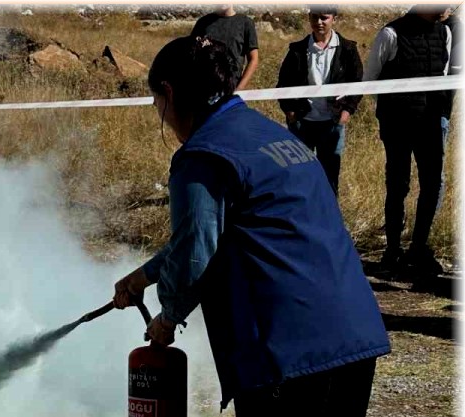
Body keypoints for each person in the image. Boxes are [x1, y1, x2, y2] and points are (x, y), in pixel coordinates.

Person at [113, 36, 394, 417]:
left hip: (287, 349)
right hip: (349, 333)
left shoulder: (200, 157)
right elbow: (227, 229)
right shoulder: (268, 135)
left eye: (156, 100)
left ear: (168, 95)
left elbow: (198, 253)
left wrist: (167, 315)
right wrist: (148, 275)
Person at [364, 4, 456, 277]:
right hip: (398, 124)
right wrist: (393, 110)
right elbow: (369, 80)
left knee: (431, 183)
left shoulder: (444, 33)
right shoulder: (391, 34)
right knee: (398, 183)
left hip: (430, 122)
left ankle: (419, 248)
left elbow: (443, 76)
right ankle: (392, 250)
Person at [276, 6, 363, 195]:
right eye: (315, 18)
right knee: (299, 175)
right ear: (309, 18)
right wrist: (290, 112)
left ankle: (328, 220)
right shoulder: (297, 49)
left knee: (329, 177)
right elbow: (283, 83)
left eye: (324, 18)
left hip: (332, 123)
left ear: (334, 19)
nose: (319, 22)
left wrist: (347, 111)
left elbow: (357, 83)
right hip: (301, 122)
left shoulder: (348, 49)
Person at [191, 4, 260, 90]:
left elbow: (254, 59)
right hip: (205, 87)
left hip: (231, 86)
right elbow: (190, 54)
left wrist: (239, 88)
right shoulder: (203, 22)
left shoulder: (245, 23)